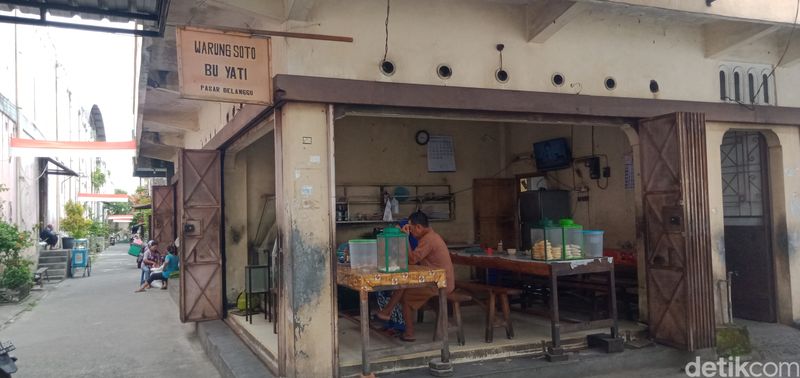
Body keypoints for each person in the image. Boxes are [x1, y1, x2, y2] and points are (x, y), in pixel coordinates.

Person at [375, 211, 455, 342]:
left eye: (412, 229)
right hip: (435, 279)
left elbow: (412, 260)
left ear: (419, 227)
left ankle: (408, 332)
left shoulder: (429, 239)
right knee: (404, 285)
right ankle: (387, 312)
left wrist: (405, 238)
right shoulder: (430, 236)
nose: (411, 232)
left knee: (406, 296)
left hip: (441, 283)